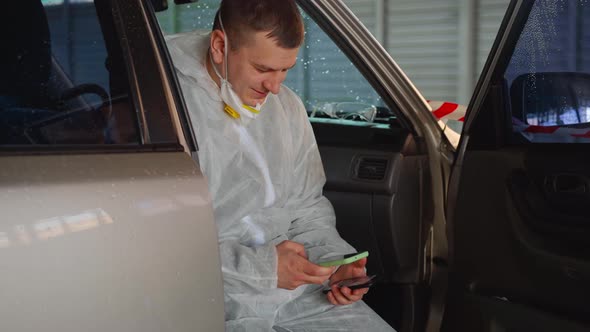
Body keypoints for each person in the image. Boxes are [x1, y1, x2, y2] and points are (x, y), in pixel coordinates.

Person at [166, 0, 396, 331]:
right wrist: (263, 269)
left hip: (296, 294)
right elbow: (162, 245)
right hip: (214, 300)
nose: (274, 87)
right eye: (262, 69)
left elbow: (307, 208)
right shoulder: (166, 109)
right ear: (219, 46)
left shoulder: (286, 108)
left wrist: (333, 264)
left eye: (285, 69)